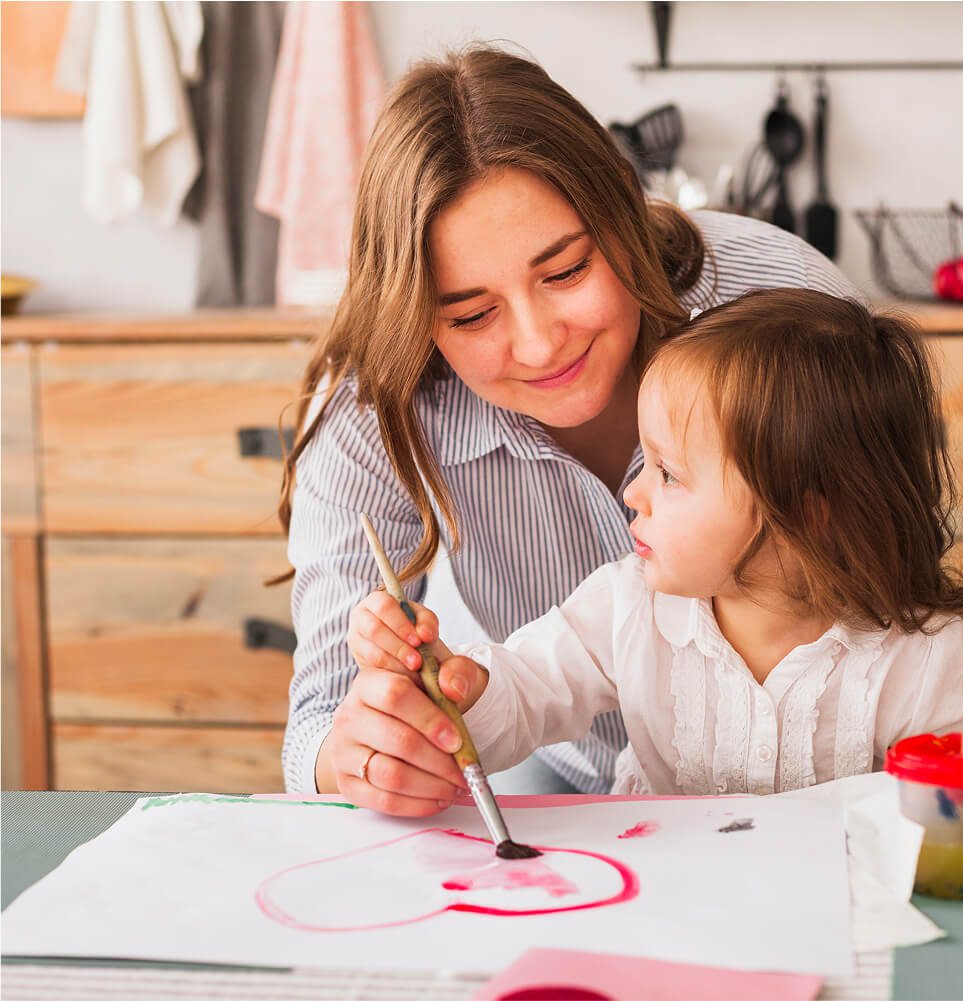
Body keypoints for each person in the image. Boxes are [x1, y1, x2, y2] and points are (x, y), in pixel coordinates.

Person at [280, 44, 861, 803]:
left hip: (813, 781)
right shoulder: (371, 405)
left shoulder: (782, 300)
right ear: (418, 318)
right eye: (471, 313)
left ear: (622, 203)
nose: (538, 341)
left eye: (564, 272)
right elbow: (317, 723)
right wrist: (358, 757)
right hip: (561, 765)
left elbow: (901, 578)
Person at [350, 289, 963, 811]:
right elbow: (524, 701)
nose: (633, 492)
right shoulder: (629, 603)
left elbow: (960, 816)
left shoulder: (929, 658)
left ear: (804, 511)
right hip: (657, 911)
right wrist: (467, 688)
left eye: (669, 473)